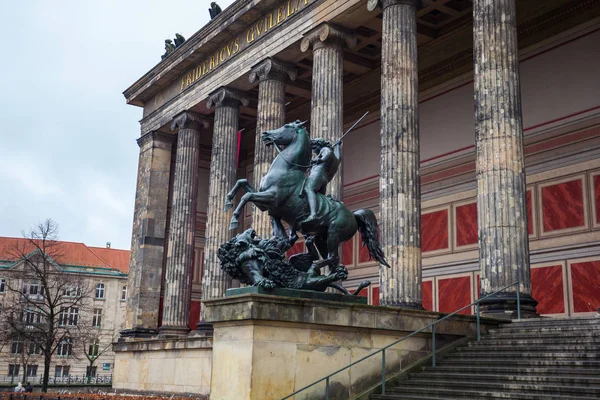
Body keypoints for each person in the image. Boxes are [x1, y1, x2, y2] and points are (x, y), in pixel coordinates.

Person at [303, 138, 342, 223]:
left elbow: (327, 154)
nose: (314, 151)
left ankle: (313, 214)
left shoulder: (325, 149)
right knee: (317, 197)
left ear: (319, 145)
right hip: (324, 180)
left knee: (309, 189)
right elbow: (339, 158)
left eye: (314, 147)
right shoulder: (335, 158)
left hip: (318, 176)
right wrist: (338, 146)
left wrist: (318, 160)